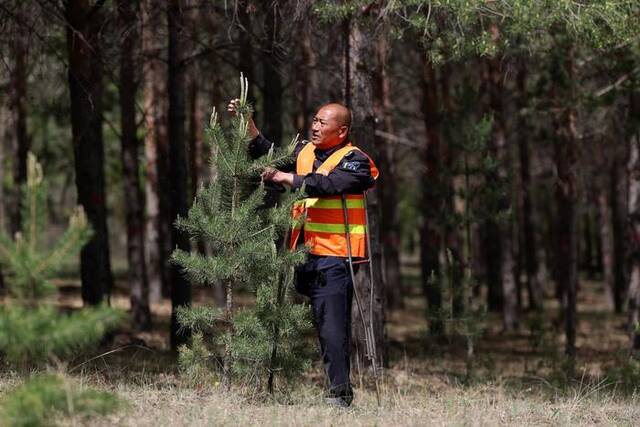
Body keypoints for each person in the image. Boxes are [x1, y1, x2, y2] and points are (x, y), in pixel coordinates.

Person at [227, 100, 379, 407]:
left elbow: (328, 185)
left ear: (342, 130)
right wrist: (248, 122)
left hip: (338, 255)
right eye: (315, 120)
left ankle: (340, 395)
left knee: (332, 324)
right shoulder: (306, 152)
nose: (315, 126)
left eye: (323, 122)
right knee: (315, 321)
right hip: (303, 254)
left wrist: (286, 179)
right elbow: (269, 152)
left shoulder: (356, 161)